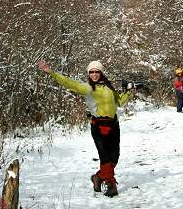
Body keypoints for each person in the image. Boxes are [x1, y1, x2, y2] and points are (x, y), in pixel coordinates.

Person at [37, 60, 133, 197]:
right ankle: (110, 184)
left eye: (97, 71)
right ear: (89, 73)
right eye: (91, 72)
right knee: (105, 157)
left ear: (101, 72)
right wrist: (51, 72)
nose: (94, 74)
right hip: (99, 126)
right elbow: (68, 82)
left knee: (114, 157)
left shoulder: (108, 87)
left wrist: (129, 92)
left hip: (113, 125)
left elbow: (120, 102)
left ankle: (98, 177)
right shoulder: (87, 88)